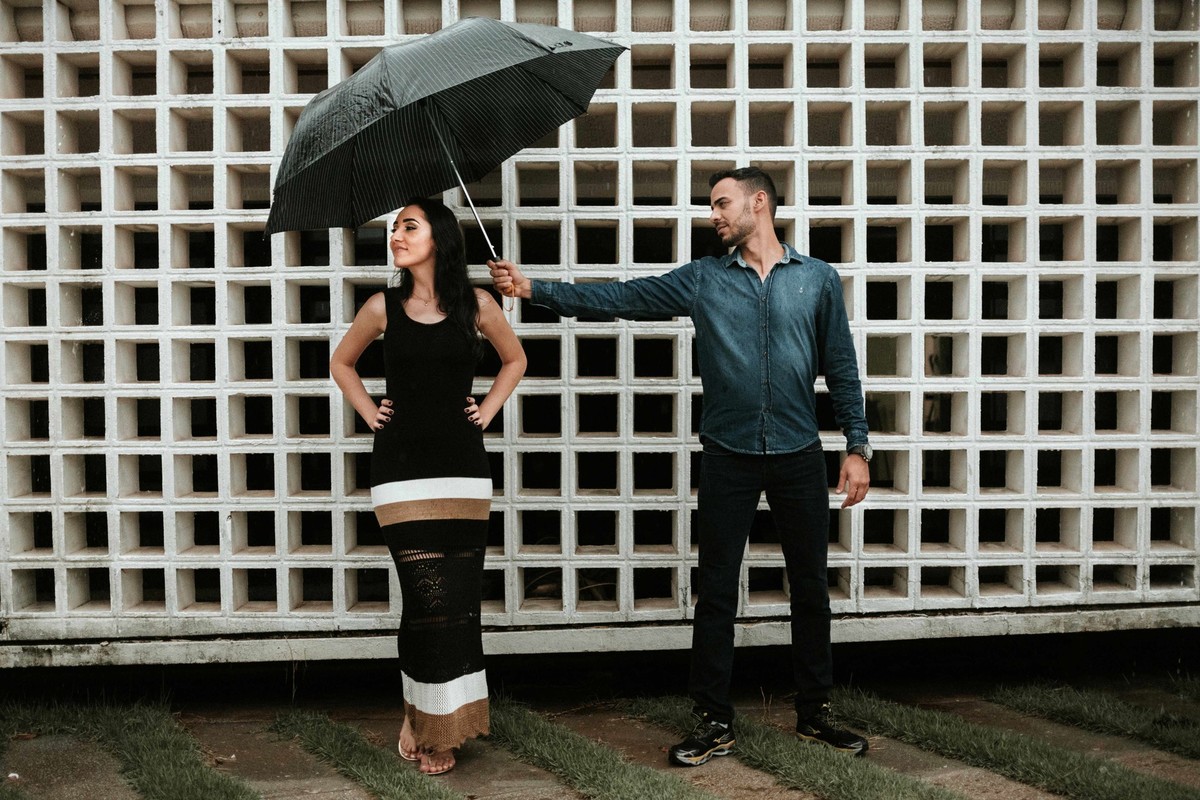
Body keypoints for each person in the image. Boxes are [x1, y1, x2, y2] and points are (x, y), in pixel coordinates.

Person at [490, 166, 872, 763]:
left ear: (760, 203)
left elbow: (842, 366)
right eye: (711, 206)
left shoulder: (818, 281)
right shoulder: (702, 280)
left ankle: (815, 713)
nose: (713, 214)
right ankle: (712, 721)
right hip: (729, 456)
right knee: (716, 593)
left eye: (722, 204)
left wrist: (857, 447)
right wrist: (534, 288)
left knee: (810, 591)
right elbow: (620, 298)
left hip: (799, 455)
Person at [331, 196, 526, 775]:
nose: (396, 235)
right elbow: (342, 363)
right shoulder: (381, 307)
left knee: (458, 602)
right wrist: (369, 411)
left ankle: (430, 718)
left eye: (408, 226)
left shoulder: (478, 305)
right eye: (394, 228)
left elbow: (514, 361)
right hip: (399, 471)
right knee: (425, 597)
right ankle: (432, 724)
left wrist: (487, 410)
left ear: (439, 237)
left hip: (463, 470)